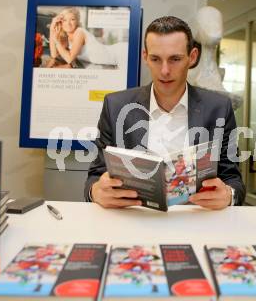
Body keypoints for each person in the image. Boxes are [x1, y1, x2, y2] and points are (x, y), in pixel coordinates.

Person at [84, 16, 246, 209]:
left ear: (192, 57)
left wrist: (229, 195)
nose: (165, 70)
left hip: (197, 223)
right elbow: (94, 176)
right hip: (133, 222)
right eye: (155, 59)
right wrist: (95, 192)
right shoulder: (116, 106)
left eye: (175, 59)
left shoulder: (219, 108)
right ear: (145, 57)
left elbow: (233, 180)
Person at [47, 7, 126, 68]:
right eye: (65, 20)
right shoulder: (67, 37)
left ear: (77, 21)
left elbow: (69, 59)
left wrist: (56, 41)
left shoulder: (79, 32)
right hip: (115, 59)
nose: (68, 23)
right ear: (61, 22)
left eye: (72, 19)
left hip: (121, 54)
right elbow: (54, 55)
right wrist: (51, 29)